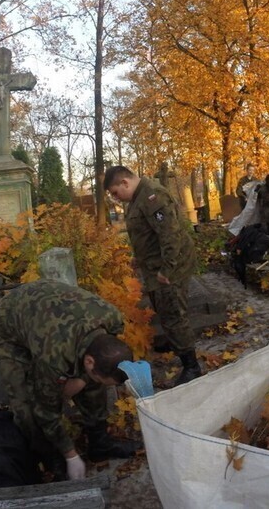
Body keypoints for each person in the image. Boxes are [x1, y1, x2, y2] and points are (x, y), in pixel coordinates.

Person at [0, 279, 140, 481]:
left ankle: (100, 445)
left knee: (94, 383)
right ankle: (50, 456)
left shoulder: (113, 319)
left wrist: (82, 379)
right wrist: (70, 455)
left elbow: (96, 360)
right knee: (26, 405)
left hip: (46, 317)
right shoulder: (54, 357)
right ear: (89, 361)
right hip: (9, 328)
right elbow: (45, 410)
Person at [103, 165, 202, 385]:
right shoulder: (137, 198)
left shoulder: (152, 197)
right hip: (155, 266)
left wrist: (167, 269)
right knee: (164, 308)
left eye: (116, 193)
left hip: (170, 267)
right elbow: (147, 233)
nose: (116, 198)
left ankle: (192, 366)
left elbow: (170, 235)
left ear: (125, 182)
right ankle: (174, 341)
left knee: (174, 313)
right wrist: (139, 258)